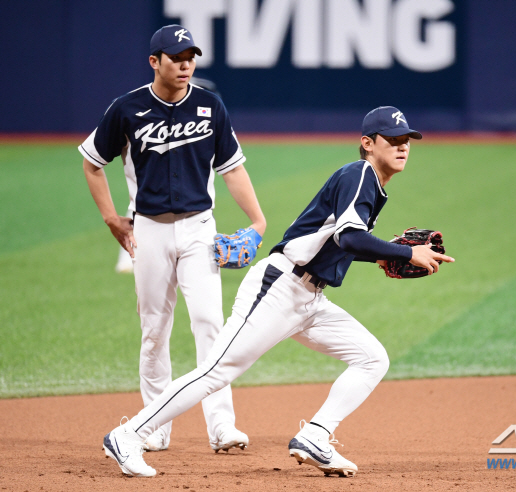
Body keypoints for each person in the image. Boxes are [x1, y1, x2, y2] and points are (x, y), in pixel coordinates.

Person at [102, 106, 454, 478]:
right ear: (368, 143)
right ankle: (128, 435)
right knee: (216, 372)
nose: (402, 147)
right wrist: (405, 253)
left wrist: (381, 256)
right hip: (279, 289)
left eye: (406, 140)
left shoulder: (371, 184)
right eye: (393, 140)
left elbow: (340, 241)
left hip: (310, 300)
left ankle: (315, 436)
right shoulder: (360, 174)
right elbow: (350, 237)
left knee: (372, 358)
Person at [81, 25, 266, 453]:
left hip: (200, 229)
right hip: (148, 232)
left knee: (210, 323)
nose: (186, 65)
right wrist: (110, 218)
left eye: (190, 57)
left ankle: (221, 426)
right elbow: (92, 162)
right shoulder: (126, 109)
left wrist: (257, 220)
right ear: (154, 61)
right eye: (176, 58)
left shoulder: (210, 105)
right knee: (154, 331)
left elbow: (232, 168)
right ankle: (154, 426)